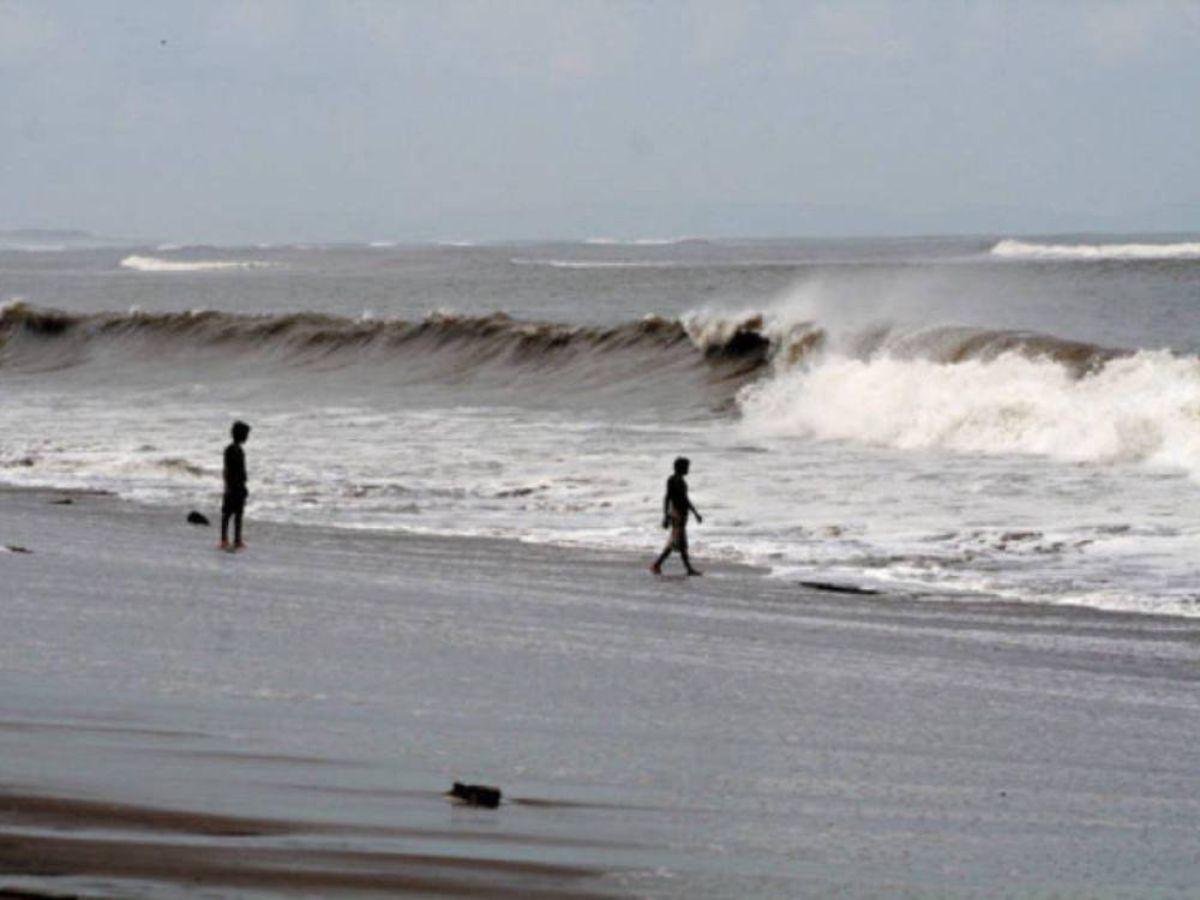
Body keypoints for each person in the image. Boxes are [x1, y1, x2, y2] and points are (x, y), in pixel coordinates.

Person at [651, 456, 702, 576]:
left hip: (682, 514)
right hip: (677, 514)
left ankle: (657, 565)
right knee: (679, 543)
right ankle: (687, 569)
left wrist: (695, 513)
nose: (688, 469)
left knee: (677, 542)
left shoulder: (681, 481)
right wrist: (666, 515)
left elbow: (685, 499)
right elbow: (667, 498)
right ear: (680, 468)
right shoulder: (673, 480)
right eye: (686, 467)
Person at [220, 420, 251, 551]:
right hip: (233, 486)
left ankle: (237, 540)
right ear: (240, 435)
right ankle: (224, 540)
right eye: (246, 434)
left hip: (238, 485)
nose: (247, 437)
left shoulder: (239, 450)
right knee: (227, 514)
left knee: (239, 513)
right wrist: (228, 486)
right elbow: (227, 469)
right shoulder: (231, 450)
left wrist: (244, 485)